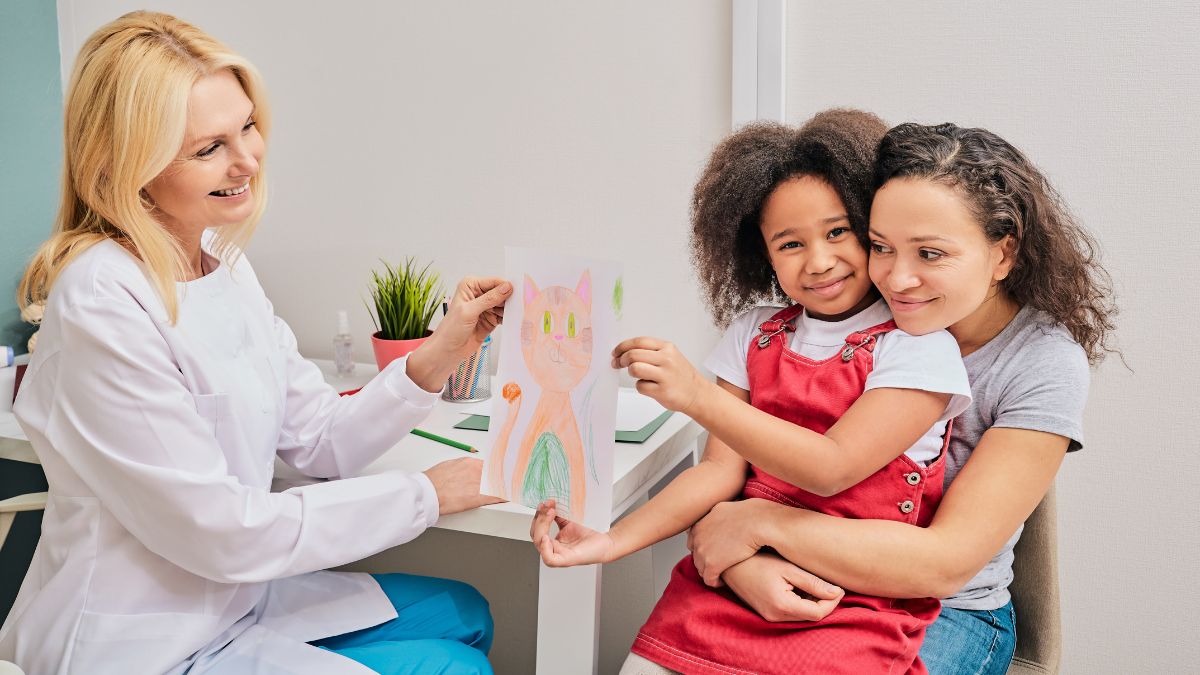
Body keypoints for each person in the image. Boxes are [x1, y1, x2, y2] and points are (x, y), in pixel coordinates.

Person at [0, 11, 509, 675]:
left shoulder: (221, 261)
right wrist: (427, 494)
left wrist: (443, 348)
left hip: (233, 599)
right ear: (127, 163)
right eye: (208, 147)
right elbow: (224, 533)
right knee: (455, 666)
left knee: (464, 611)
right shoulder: (102, 300)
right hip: (143, 642)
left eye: (246, 125)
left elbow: (319, 439)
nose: (247, 158)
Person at [530, 109, 974, 674]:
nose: (819, 261)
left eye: (839, 231)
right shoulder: (755, 331)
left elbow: (831, 467)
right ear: (760, 254)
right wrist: (610, 542)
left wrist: (696, 394)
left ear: (872, 230)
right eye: (790, 244)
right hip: (733, 577)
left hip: (853, 599)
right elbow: (719, 473)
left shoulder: (918, 347)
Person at [686, 121, 1115, 675]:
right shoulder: (839, 313)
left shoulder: (1041, 362)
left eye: (931, 254)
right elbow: (731, 476)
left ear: (1003, 254)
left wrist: (759, 526)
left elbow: (945, 565)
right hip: (796, 572)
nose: (900, 279)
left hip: (945, 611)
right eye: (881, 246)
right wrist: (744, 560)